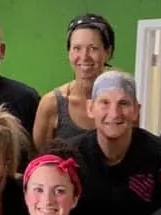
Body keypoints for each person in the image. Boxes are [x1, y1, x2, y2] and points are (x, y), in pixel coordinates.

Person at [68, 72, 161, 215]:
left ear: (136, 110)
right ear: (90, 108)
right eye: (105, 103)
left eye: (123, 103)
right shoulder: (70, 156)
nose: (114, 113)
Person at [34, 14, 116, 150]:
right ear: (69, 53)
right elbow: (40, 158)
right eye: (77, 48)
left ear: (108, 52)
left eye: (93, 48)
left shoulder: (121, 103)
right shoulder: (51, 104)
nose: (84, 57)